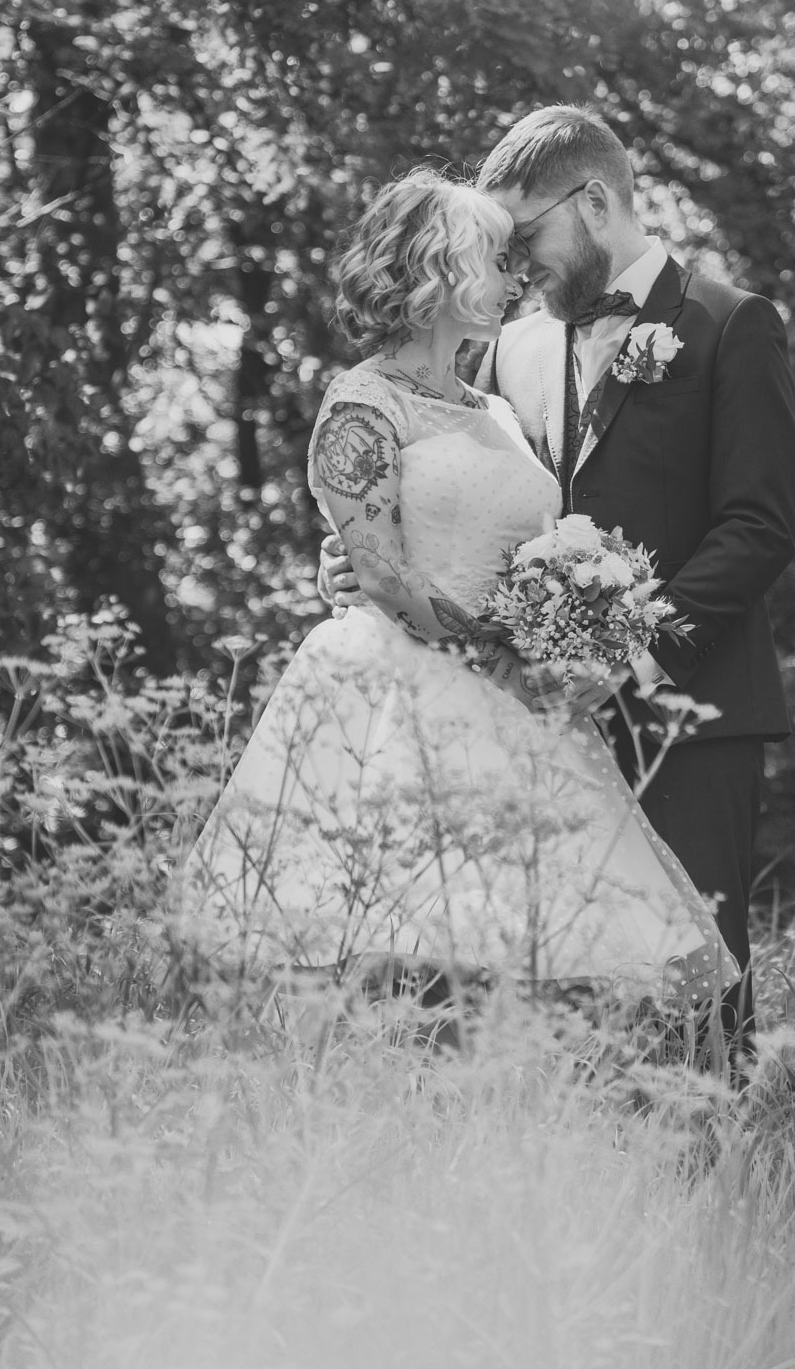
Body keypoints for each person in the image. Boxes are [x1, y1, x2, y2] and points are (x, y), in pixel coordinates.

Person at [184, 166, 734, 1013]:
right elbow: (379, 570)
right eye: (495, 259)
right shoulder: (361, 405)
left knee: (545, 953)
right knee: (406, 939)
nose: (515, 278)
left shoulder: (493, 408)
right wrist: (500, 650)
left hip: (517, 699)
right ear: (442, 271)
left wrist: (569, 628)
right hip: (397, 688)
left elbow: (524, 545)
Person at [325, 108, 795, 1049]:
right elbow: (461, 496)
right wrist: (363, 554)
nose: (510, 266)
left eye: (523, 235)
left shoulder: (728, 324)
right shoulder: (513, 346)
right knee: (546, 992)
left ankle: (713, 1185)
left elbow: (759, 527)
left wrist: (625, 651)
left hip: (687, 712)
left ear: (593, 203)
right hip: (527, 717)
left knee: (694, 996)